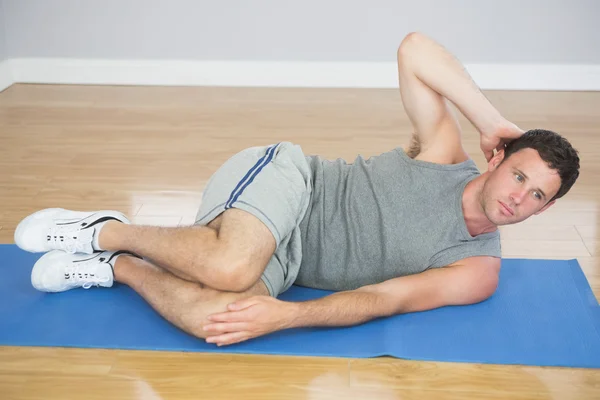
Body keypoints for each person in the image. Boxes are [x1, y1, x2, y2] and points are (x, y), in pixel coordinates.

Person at [14, 32, 580, 347]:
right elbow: (414, 49)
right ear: (499, 158)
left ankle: (119, 266)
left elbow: (386, 299)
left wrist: (286, 316)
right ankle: (104, 228)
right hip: (291, 183)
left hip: (292, 260)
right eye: (519, 175)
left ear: (545, 210)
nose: (517, 196)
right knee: (233, 266)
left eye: (537, 196)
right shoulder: (443, 152)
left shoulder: (478, 269)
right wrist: (488, 119)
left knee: (222, 319)